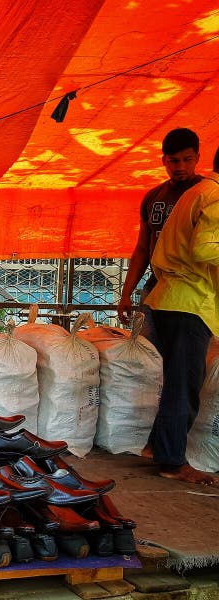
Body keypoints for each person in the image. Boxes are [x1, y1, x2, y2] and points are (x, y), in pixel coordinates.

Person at [143, 145, 219, 486]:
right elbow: (205, 248)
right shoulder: (214, 195)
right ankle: (173, 462)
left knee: (175, 380)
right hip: (188, 301)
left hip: (171, 297)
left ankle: (158, 447)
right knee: (183, 385)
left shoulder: (198, 191)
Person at [117, 128, 202, 347]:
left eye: (187, 159)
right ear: (163, 160)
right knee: (150, 353)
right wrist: (126, 294)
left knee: (183, 358)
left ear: (197, 158)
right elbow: (142, 249)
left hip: (191, 291)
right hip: (155, 287)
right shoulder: (153, 197)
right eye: (174, 161)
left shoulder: (207, 194)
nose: (180, 167)